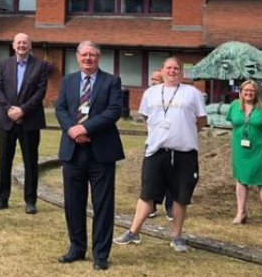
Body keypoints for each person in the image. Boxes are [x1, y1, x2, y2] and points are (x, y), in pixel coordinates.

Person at [114, 56, 207, 253]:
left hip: (184, 153)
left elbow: (201, 120)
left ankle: (177, 236)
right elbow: (147, 118)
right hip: (156, 151)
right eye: (169, 68)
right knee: (147, 194)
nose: (172, 71)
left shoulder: (192, 93)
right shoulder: (151, 93)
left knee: (181, 198)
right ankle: (133, 231)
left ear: (181, 72)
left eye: (176, 68)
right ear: (162, 71)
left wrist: (183, 133)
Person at [55, 41, 124, 270]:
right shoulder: (68, 80)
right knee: (73, 203)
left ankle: (100, 254)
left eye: (92, 55)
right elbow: (60, 109)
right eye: (84, 54)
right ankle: (76, 248)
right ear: (77, 56)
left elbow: (114, 111)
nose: (88, 58)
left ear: (99, 57)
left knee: (102, 204)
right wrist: (74, 132)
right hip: (73, 151)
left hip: (101, 152)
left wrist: (85, 128)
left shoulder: (111, 81)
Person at [0, 32, 49, 214]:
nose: (22, 46)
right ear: (13, 45)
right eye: (19, 43)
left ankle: (30, 201)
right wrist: (9, 109)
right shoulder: (4, 64)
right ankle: (2, 198)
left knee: (31, 162)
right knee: (4, 160)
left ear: (30, 45)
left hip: (30, 120)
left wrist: (22, 110)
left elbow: (40, 93)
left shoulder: (40, 66)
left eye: (25, 43)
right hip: (6, 120)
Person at [226, 79, 262, 231]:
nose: (248, 93)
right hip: (240, 147)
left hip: (260, 148)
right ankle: (241, 212)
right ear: (240, 92)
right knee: (241, 179)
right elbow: (233, 122)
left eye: (252, 91)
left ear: (256, 93)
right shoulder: (235, 105)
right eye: (245, 90)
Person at [147, 68, 174, 221]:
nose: (152, 82)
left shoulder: (175, 96)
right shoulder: (150, 96)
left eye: (156, 79)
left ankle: (169, 207)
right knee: (153, 176)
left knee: (170, 176)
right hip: (154, 142)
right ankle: (152, 205)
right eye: (152, 79)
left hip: (171, 141)